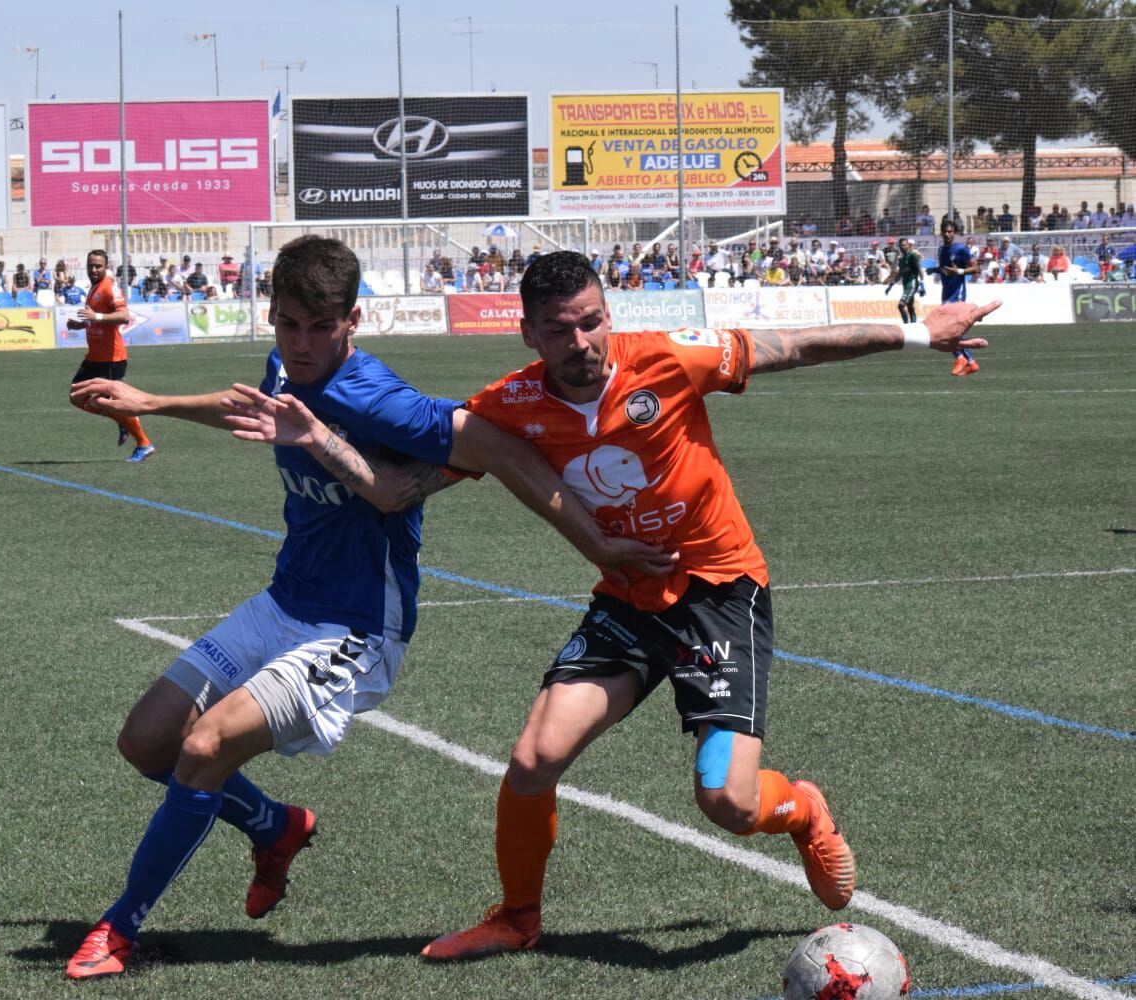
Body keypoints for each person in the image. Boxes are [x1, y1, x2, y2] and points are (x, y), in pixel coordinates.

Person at [235, 251, 996, 962]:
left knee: (725, 800)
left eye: (592, 320)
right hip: (628, 603)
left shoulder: (668, 359)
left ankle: (801, 811)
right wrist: (318, 443)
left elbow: (790, 346)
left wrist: (912, 332)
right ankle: (517, 917)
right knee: (534, 758)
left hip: (718, 592)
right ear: (529, 333)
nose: (582, 341)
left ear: (609, 315)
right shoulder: (510, 408)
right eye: (560, 329)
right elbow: (400, 487)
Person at [60, 237, 652, 981]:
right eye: (287, 326)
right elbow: (260, 410)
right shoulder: (288, 365)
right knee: (147, 742)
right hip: (285, 601)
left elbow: (496, 446)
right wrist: (155, 403)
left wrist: (595, 541)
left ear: (353, 321)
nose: (301, 345)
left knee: (205, 746)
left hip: (356, 630)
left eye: (319, 328)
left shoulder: (375, 397)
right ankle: (275, 828)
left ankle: (119, 929)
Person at [67, 249, 155, 463]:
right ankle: (122, 421)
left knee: (105, 401)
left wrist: (95, 315)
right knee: (76, 397)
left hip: (111, 359)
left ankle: (144, 443)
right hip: (94, 357)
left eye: (98, 266)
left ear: (106, 267)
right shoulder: (94, 288)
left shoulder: (109, 287)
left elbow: (124, 316)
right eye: (91, 266)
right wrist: (82, 324)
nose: (94, 269)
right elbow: (99, 320)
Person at [938, 221, 980, 376]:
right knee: (953, 331)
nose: (947, 234)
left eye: (950, 231)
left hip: (957, 294)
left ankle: (961, 358)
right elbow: (945, 269)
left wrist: (958, 271)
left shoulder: (961, 249)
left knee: (948, 330)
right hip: (946, 293)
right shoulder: (941, 249)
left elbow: (976, 269)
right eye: (945, 231)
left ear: (954, 232)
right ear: (941, 233)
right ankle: (970, 362)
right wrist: (934, 269)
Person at [883, 236, 926, 322]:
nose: (902, 247)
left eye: (904, 245)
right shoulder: (902, 258)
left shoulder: (912, 256)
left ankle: (906, 326)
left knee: (901, 305)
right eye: (901, 245)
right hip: (906, 284)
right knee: (910, 306)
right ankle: (913, 326)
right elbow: (900, 273)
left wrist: (922, 284)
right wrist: (891, 285)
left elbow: (920, 269)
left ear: (908, 246)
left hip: (912, 284)